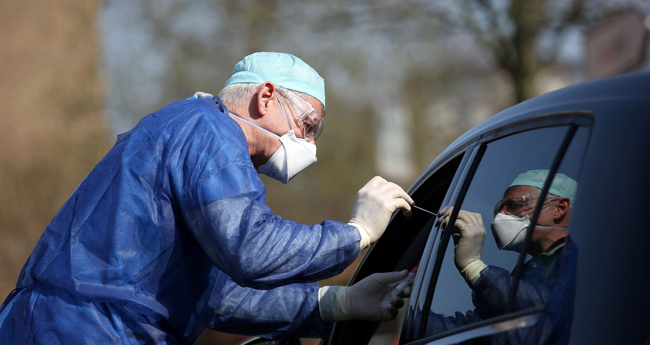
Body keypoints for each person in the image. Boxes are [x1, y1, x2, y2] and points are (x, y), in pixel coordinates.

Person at [0, 52, 414, 344]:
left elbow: (217, 298)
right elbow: (252, 250)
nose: (310, 145)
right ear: (266, 96)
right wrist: (357, 233)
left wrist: (338, 302)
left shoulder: (186, 130)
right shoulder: (210, 133)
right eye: (309, 125)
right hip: (87, 330)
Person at [428, 169, 578, 344]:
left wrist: (474, 267)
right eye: (500, 208)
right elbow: (472, 330)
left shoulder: (581, 259)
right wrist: (404, 308)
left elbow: (550, 307)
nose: (501, 215)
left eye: (515, 205)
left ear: (559, 208)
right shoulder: (529, 270)